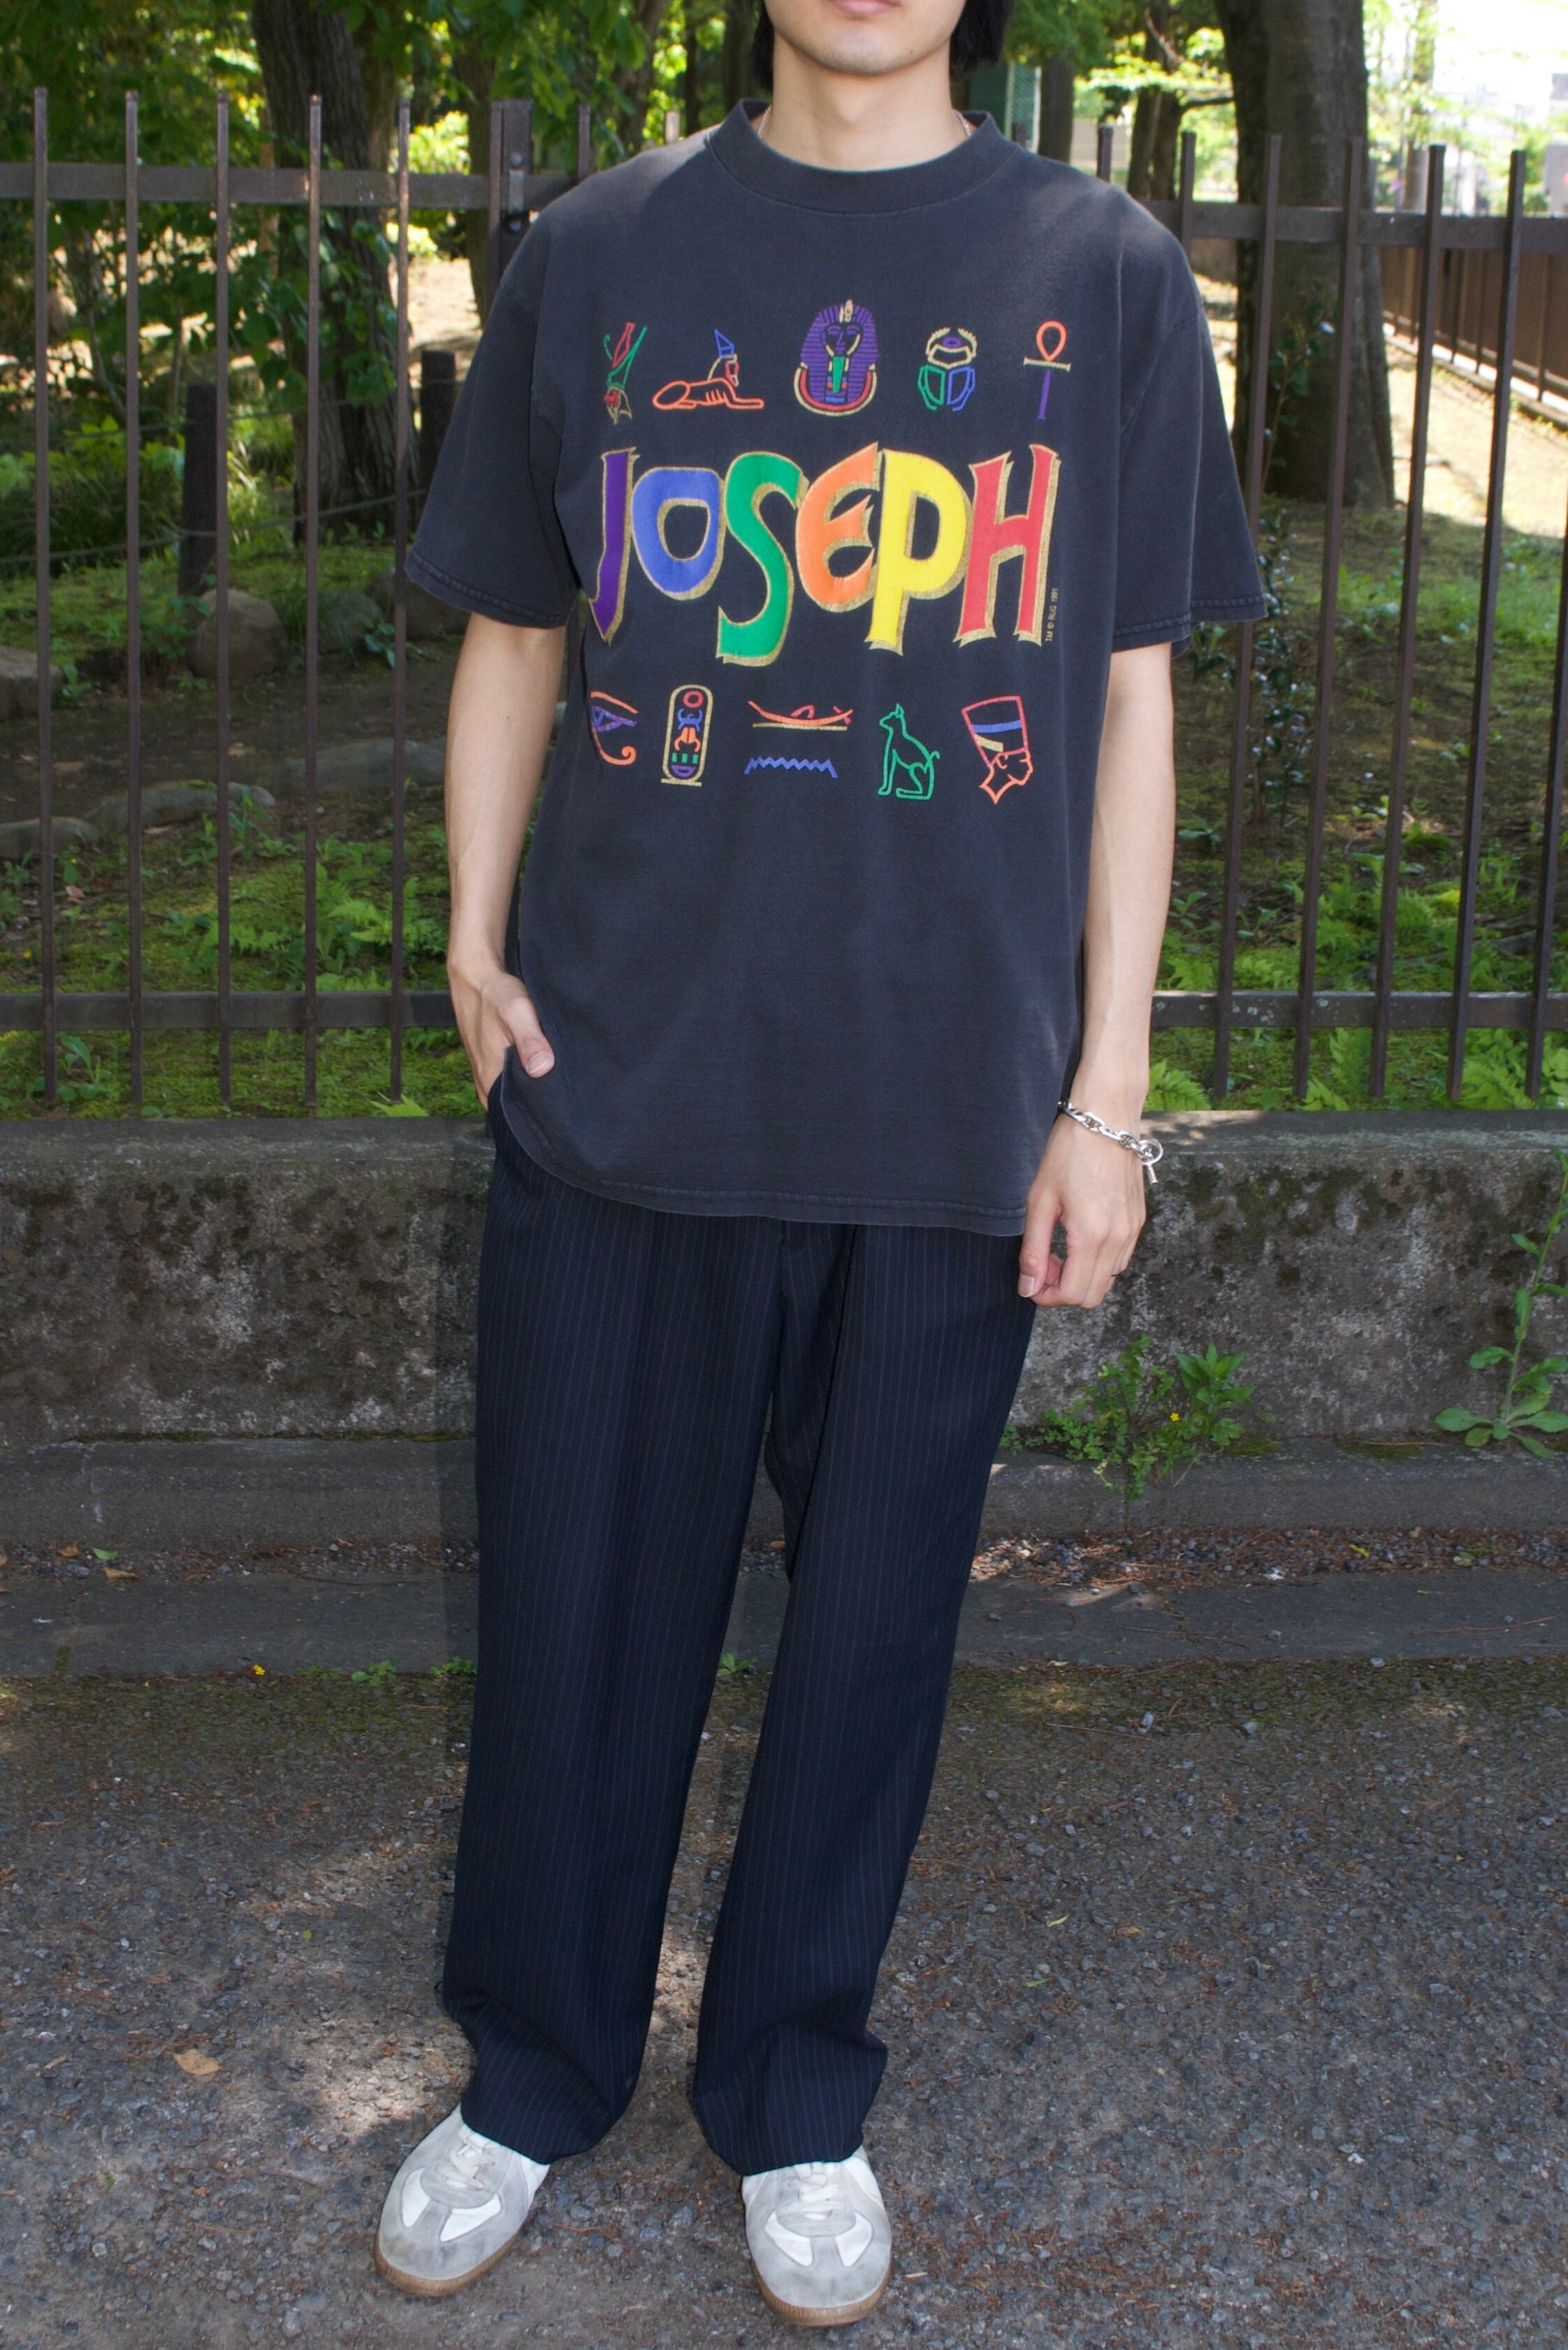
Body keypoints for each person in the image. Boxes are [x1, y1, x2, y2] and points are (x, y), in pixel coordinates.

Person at [375, 0, 1264, 2321]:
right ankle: (530, 2071)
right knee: (574, 1614)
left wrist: (1105, 1093)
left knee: (868, 1634)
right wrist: (470, 932)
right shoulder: (598, 252)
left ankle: (792, 2094)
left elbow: (1129, 696)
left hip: (950, 1100)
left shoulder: (1098, 270)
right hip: (627, 1072)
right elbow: (515, 631)